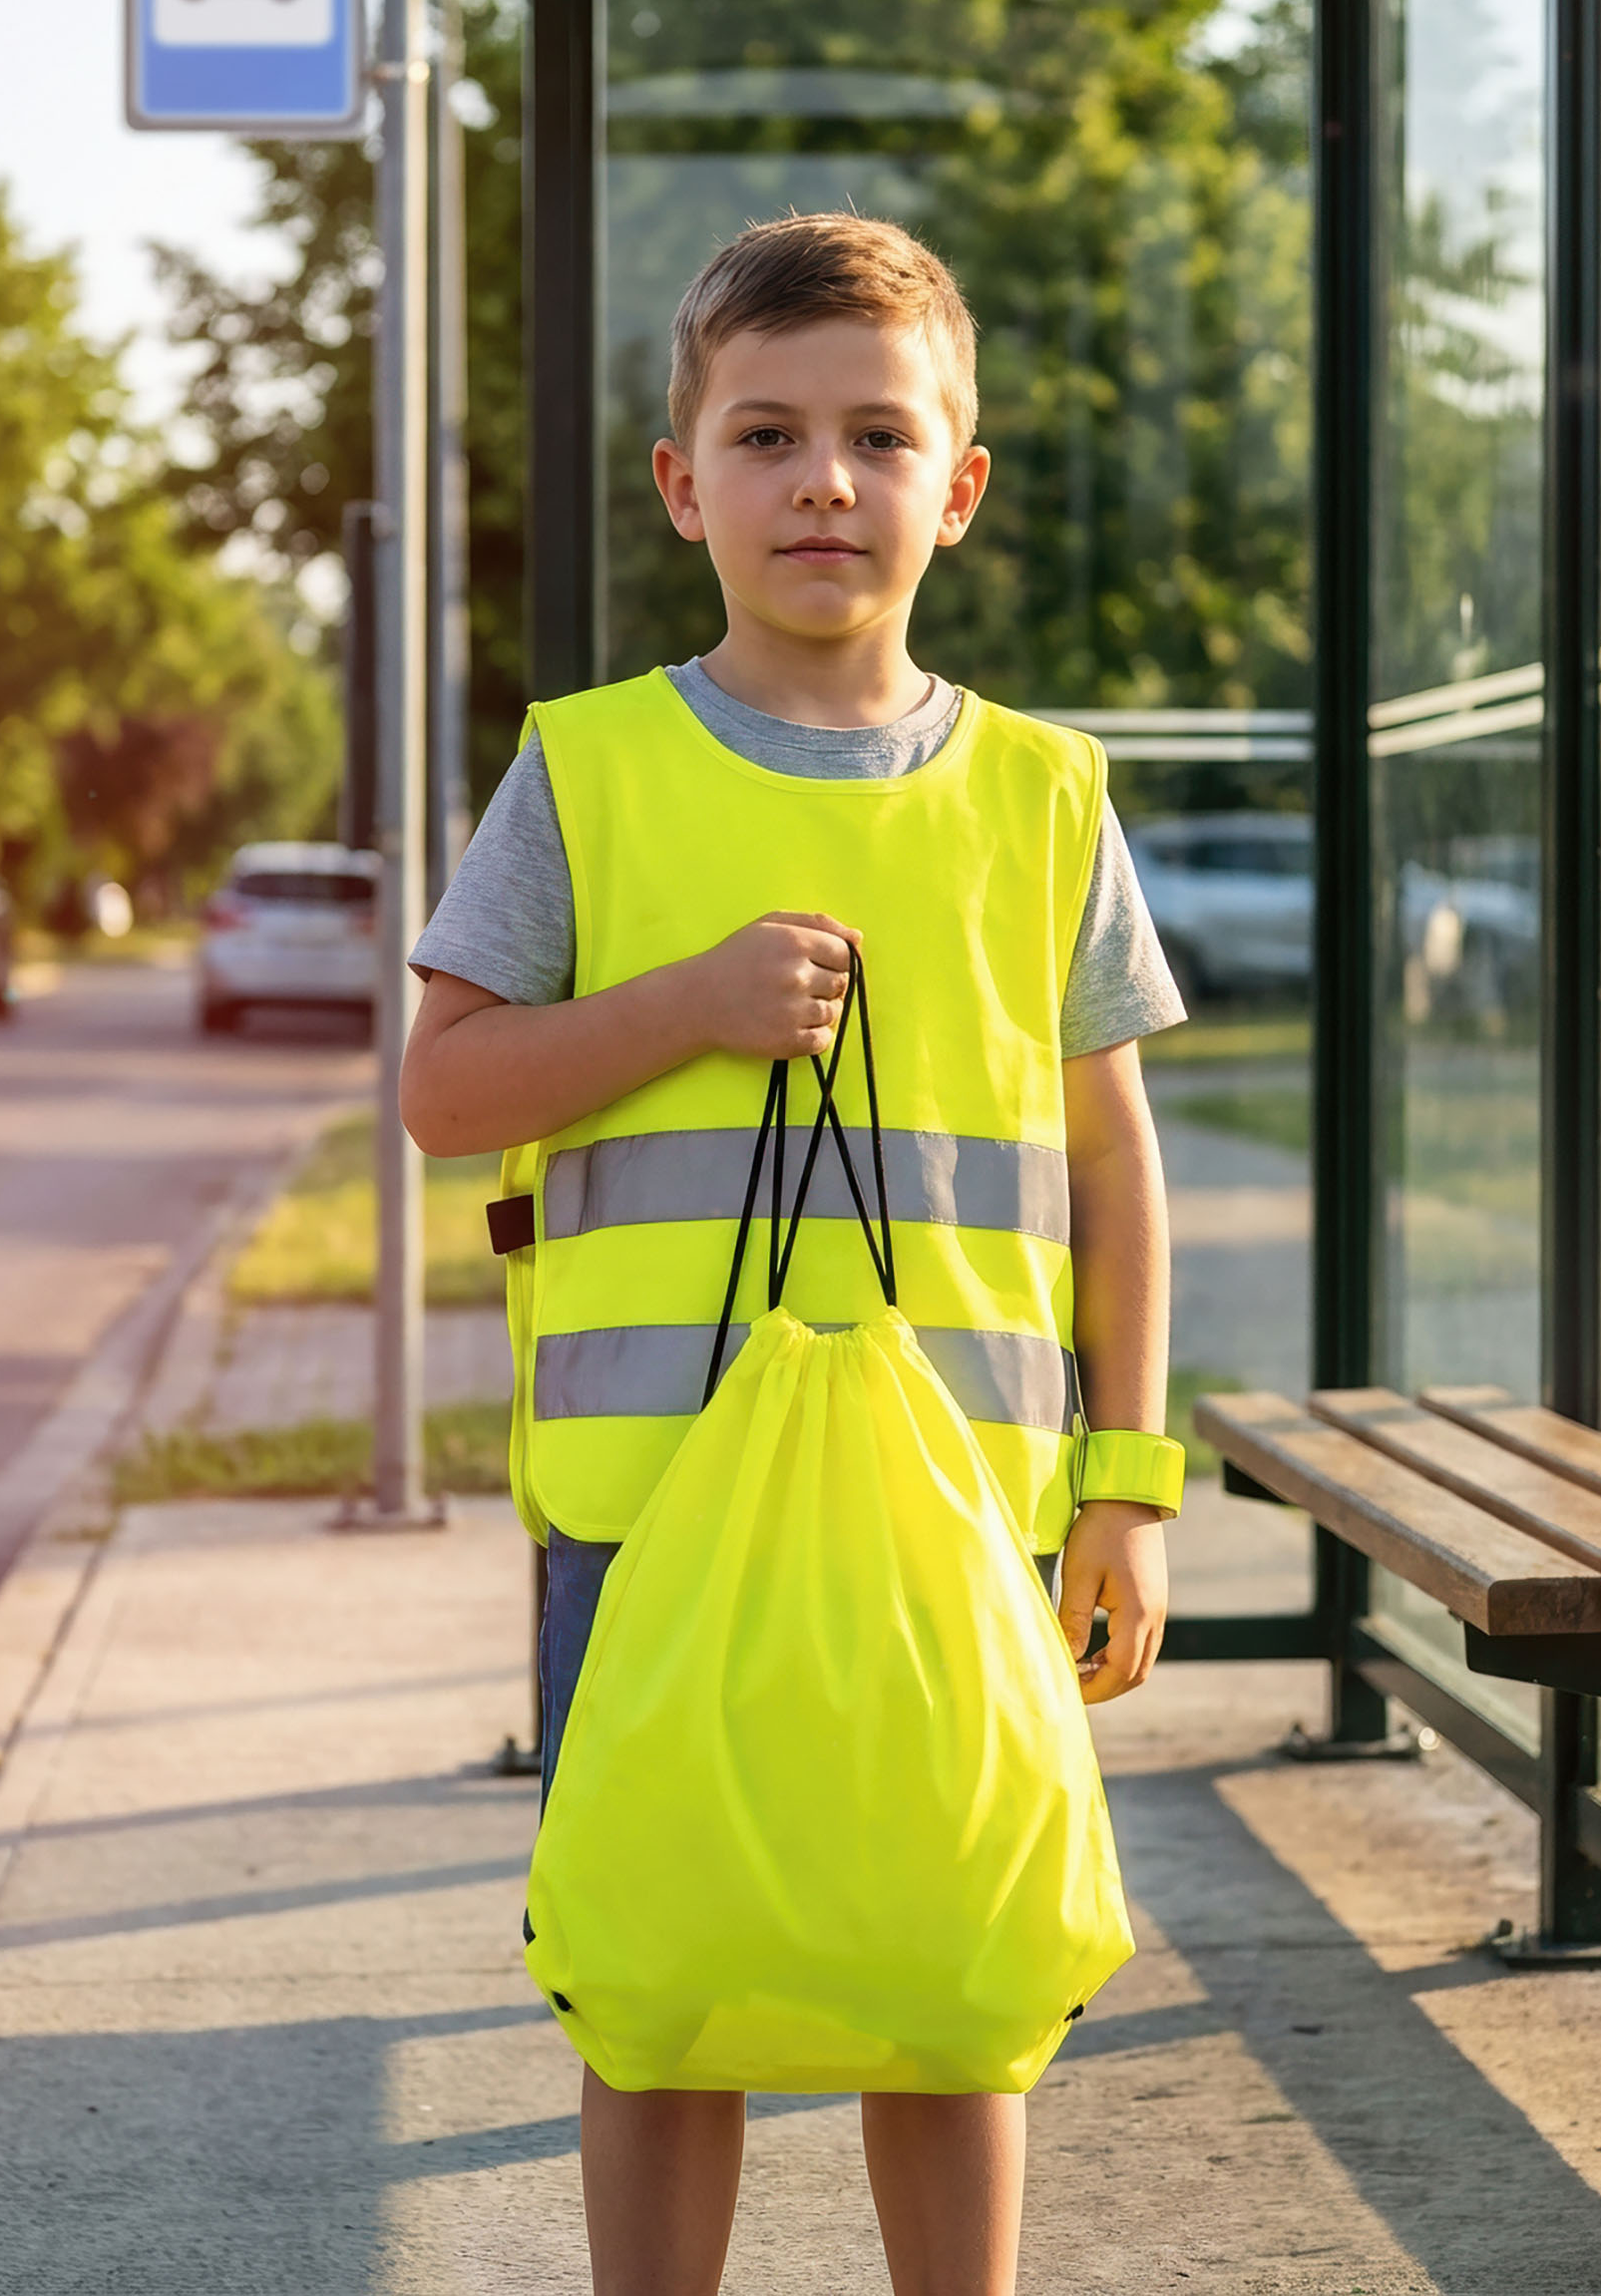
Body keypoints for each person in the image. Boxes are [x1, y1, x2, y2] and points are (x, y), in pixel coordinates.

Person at [400, 212, 1185, 2296]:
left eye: (874, 434)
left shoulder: (1041, 795)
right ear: (683, 483)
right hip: (648, 1521)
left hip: (967, 1516)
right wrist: (683, 1003)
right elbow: (446, 1092)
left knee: (952, 1973)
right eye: (764, 433)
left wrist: (1127, 1487)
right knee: (659, 1984)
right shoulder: (587, 774)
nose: (822, 479)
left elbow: (1115, 1169)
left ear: (959, 481)